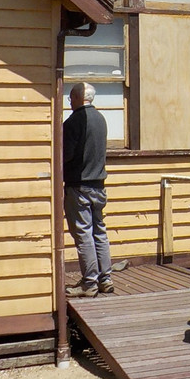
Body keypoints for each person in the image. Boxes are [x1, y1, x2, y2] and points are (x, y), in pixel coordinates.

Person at [63, 81, 117, 297]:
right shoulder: (101, 119)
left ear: (77, 97)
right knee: (99, 232)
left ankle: (89, 283)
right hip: (99, 185)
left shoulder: (73, 122)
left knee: (84, 234)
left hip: (79, 186)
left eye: (70, 98)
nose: (69, 102)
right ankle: (105, 279)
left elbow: (65, 155)